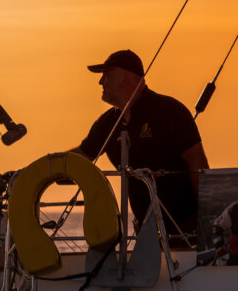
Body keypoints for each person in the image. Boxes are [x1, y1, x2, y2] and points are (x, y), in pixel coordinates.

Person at [73, 49, 208, 233]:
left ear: (123, 78)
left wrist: (209, 224)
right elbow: (80, 158)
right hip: (146, 236)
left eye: (106, 75)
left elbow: (198, 163)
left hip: (187, 232)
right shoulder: (107, 124)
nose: (100, 82)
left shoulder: (169, 112)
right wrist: (40, 170)